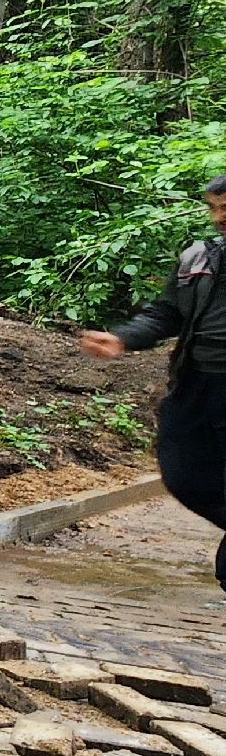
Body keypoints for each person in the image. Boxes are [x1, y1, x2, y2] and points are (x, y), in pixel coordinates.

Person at [79, 174, 226, 591]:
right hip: (198, 386)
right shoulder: (198, 258)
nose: (218, 219)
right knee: (182, 475)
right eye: (213, 209)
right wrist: (123, 337)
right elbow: (165, 314)